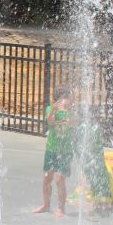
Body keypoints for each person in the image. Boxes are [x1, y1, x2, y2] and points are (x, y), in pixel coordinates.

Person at [34, 86, 75, 217]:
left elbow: (75, 124)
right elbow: (50, 122)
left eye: (69, 98)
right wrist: (53, 110)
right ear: (60, 99)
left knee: (59, 179)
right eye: (67, 97)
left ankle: (61, 208)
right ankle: (46, 205)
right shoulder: (50, 109)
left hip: (65, 150)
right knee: (47, 178)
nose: (69, 100)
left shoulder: (72, 111)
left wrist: (69, 113)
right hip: (52, 149)